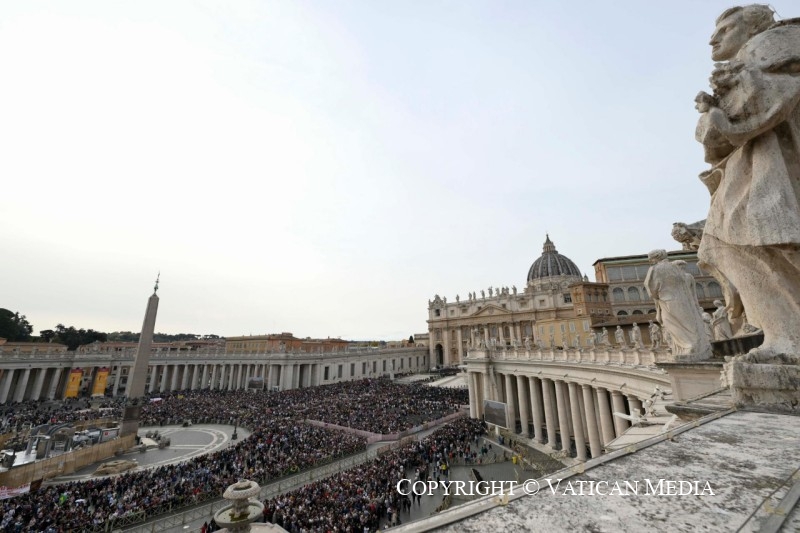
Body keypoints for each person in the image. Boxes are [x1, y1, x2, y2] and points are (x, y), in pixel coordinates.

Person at [695, 6, 800, 360]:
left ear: (754, 27)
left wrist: (718, 109)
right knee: (725, 242)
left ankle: (789, 336)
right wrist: (716, 110)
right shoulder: (751, 58)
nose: (713, 39)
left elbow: (759, 106)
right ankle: (784, 333)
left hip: (772, 165)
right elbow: (714, 140)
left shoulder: (775, 45)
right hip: (753, 164)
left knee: (749, 237)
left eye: (725, 29)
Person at [644, 249, 711, 358]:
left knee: (670, 322)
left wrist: (657, 295)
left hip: (668, 300)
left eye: (650, 259)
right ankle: (695, 345)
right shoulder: (676, 268)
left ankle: (687, 346)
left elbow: (651, 288)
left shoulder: (655, 269)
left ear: (655, 257)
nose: (650, 261)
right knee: (686, 322)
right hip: (683, 300)